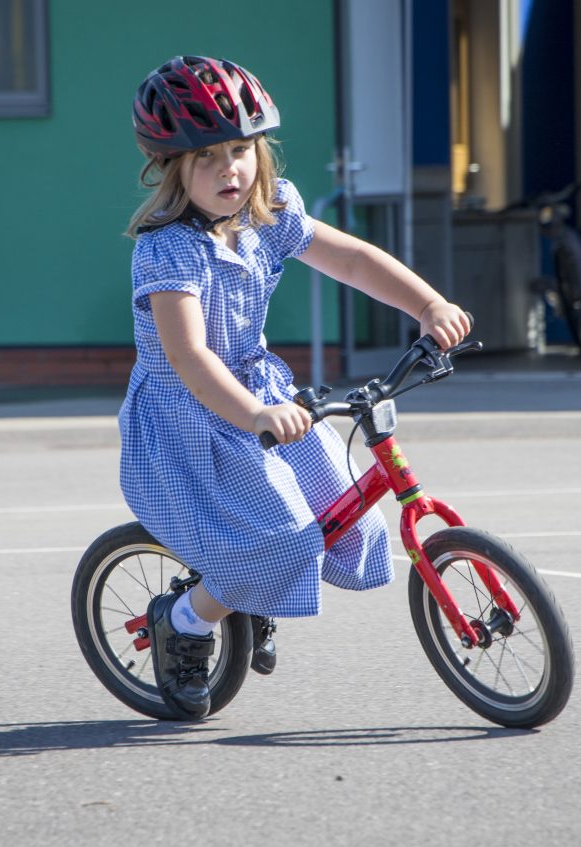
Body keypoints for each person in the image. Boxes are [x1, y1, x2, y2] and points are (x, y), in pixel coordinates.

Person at [120, 55, 470, 719]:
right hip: (193, 414)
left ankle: (252, 587)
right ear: (172, 169)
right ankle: (186, 622)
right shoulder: (167, 251)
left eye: (240, 150)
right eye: (206, 159)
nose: (230, 170)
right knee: (281, 542)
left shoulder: (269, 213)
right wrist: (255, 412)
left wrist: (428, 307)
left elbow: (352, 258)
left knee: (350, 524)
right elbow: (190, 356)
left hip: (261, 394)